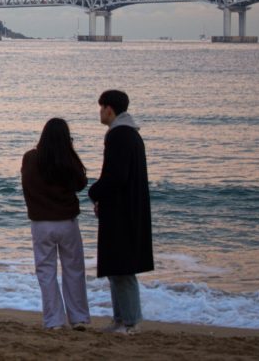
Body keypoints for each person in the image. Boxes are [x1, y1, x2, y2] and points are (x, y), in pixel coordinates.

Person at [87, 89, 153, 335]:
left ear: (109, 109)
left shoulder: (119, 135)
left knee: (122, 269)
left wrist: (95, 192)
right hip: (125, 208)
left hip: (122, 212)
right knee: (116, 268)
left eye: (101, 107)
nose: (99, 112)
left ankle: (130, 322)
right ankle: (120, 319)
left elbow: (115, 176)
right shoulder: (130, 134)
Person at [20, 117, 91, 331]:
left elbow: (27, 185)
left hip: (41, 222)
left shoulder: (31, 158)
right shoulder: (67, 159)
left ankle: (54, 320)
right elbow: (81, 183)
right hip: (67, 221)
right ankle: (78, 317)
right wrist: (71, 153)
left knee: (46, 272)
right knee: (74, 269)